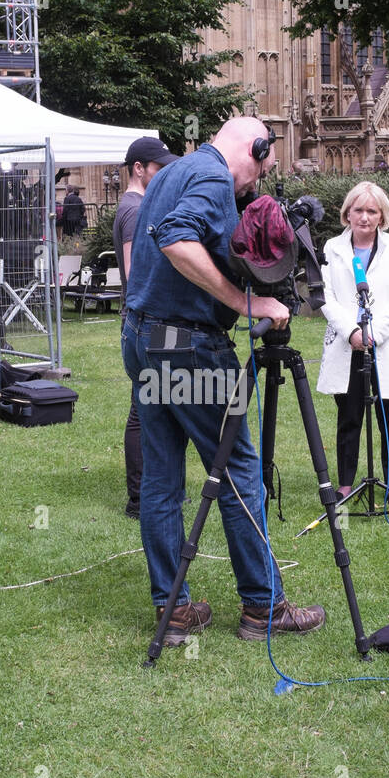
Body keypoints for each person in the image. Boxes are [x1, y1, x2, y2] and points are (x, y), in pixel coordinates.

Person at [122, 116, 325, 644]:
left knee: (162, 480)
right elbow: (175, 237)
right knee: (237, 471)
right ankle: (265, 607)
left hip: (143, 341)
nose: (254, 188)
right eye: (261, 172)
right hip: (189, 350)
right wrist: (246, 301)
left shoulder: (171, 173)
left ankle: (175, 612)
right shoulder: (213, 179)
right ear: (253, 150)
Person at [316, 181, 389, 502]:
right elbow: (326, 297)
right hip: (347, 342)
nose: (364, 217)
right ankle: (345, 484)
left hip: (386, 342)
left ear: (382, 217)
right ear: (347, 213)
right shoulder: (331, 249)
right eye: (358, 210)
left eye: (371, 211)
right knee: (348, 415)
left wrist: (374, 333)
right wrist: (353, 332)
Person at [114, 136, 178, 519]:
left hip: (145, 319)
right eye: (159, 168)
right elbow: (135, 270)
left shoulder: (136, 205)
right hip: (145, 319)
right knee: (144, 406)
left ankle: (157, 489)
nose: (164, 174)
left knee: (156, 403)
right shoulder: (136, 210)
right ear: (139, 168)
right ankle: (139, 499)